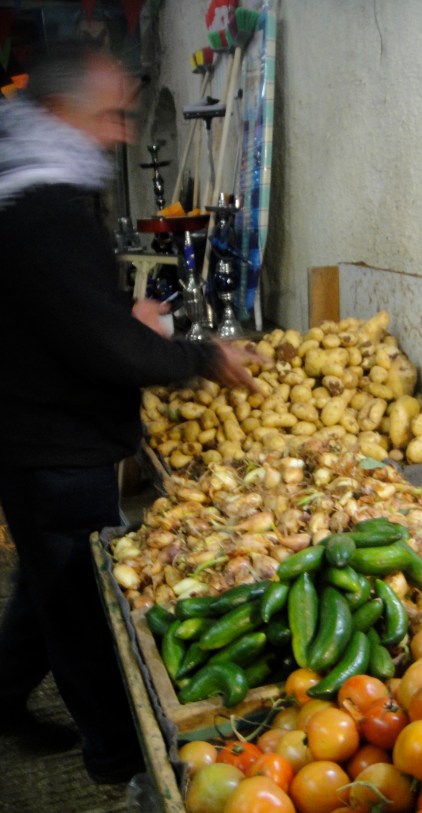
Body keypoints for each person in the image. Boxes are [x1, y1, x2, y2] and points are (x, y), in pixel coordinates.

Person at [0, 41, 261, 784]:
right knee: (81, 610)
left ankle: (3, 692)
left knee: (47, 584)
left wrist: (122, 316)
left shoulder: (30, 188)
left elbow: (69, 317)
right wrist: (203, 357)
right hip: (55, 450)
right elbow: (96, 346)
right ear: (59, 112)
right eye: (109, 115)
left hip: (38, 441)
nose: (120, 133)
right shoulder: (42, 207)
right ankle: (118, 756)